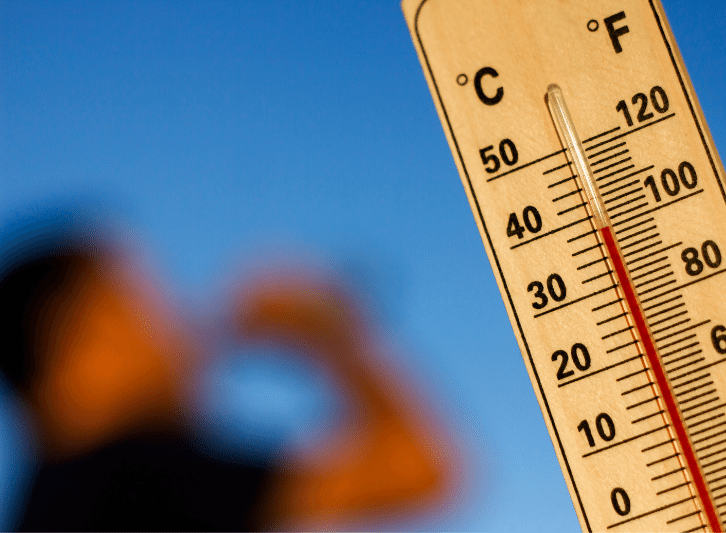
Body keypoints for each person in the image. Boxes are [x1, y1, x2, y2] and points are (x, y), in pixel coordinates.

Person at [0, 215, 458, 531]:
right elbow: (416, 468)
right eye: (143, 300)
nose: (175, 320)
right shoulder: (134, 478)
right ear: (86, 341)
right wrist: (328, 335)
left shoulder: (54, 502)